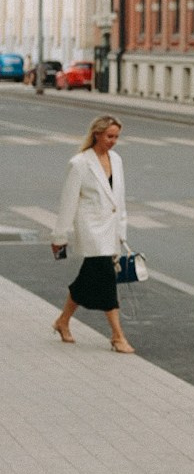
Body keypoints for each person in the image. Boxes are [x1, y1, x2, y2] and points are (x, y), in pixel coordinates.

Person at [51, 116, 135, 353]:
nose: (113, 141)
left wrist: (122, 230)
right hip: (91, 230)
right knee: (107, 279)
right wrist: (59, 236)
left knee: (87, 279)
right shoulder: (80, 163)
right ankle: (117, 336)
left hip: (111, 229)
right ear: (96, 134)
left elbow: (119, 198)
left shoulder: (116, 160)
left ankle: (62, 321)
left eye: (116, 137)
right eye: (109, 136)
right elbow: (68, 202)